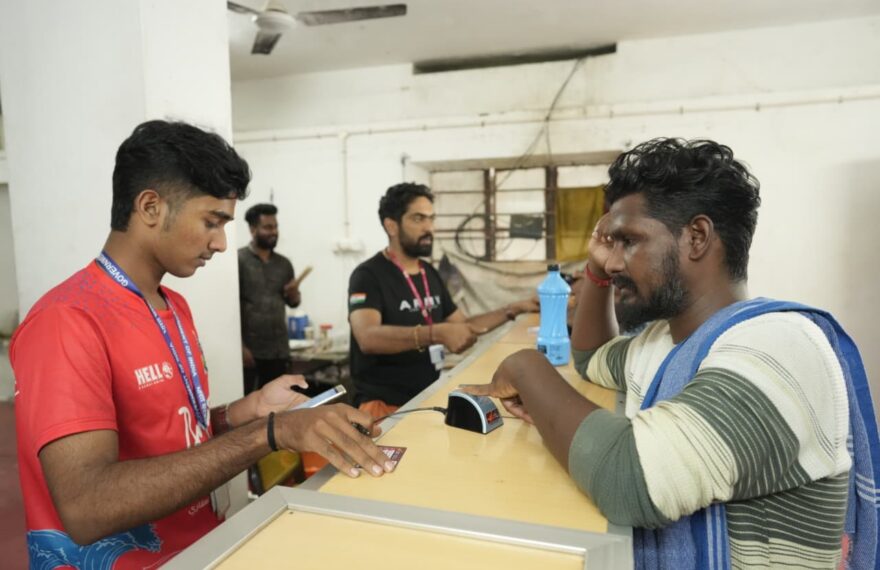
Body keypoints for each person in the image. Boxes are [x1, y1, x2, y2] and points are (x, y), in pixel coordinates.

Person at [464, 138, 879, 569]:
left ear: (696, 237)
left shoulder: (779, 349)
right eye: (611, 245)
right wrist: (594, 269)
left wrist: (525, 367)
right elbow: (592, 357)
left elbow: (629, 478)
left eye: (629, 241)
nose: (613, 262)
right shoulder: (664, 342)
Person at [11, 120, 393, 569]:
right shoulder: (67, 320)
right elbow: (86, 505)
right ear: (150, 207)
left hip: (199, 550)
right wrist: (270, 433)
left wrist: (247, 411)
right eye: (211, 221)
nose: (221, 243)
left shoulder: (172, 306)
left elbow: (166, 436)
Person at [348, 182, 539, 418]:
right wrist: (436, 333)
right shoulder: (368, 275)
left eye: (431, 219)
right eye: (418, 218)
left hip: (425, 397)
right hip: (382, 405)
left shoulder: (428, 272)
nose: (429, 227)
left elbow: (463, 326)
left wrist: (515, 308)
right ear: (391, 226)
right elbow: (367, 337)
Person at [239, 203, 301, 393]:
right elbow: (229, 309)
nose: (274, 232)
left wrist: (294, 294)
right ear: (252, 229)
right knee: (250, 405)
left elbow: (293, 302)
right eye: (267, 227)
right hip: (251, 352)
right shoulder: (238, 261)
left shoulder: (284, 264)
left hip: (279, 351)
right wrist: (240, 347)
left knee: (279, 404)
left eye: (275, 227)